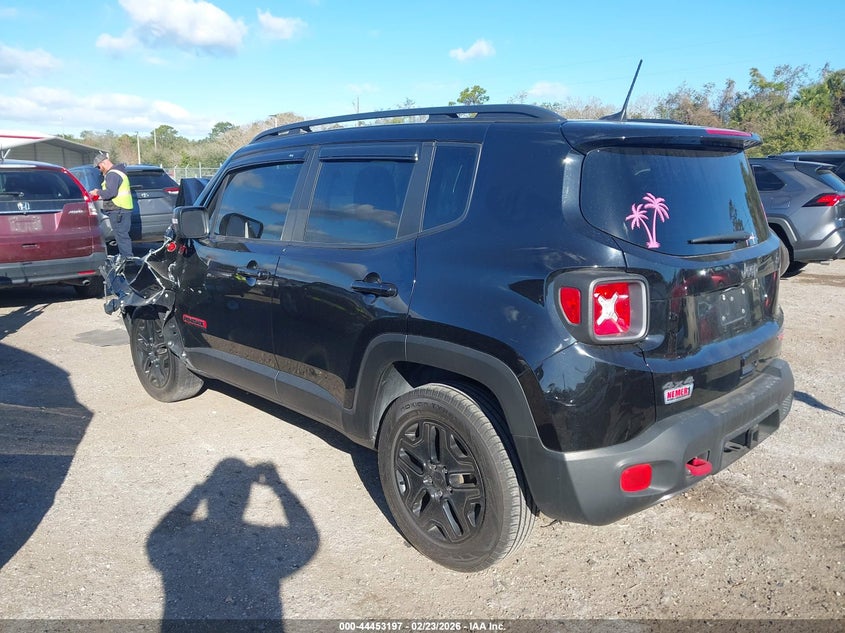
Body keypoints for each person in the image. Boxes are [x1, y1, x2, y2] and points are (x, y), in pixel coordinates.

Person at [90, 151, 134, 261]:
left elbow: (111, 193)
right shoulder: (119, 172)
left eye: (99, 167)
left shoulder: (112, 174)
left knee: (121, 237)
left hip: (118, 209)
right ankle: (127, 258)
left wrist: (97, 192)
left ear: (103, 163)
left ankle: (128, 260)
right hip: (122, 208)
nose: (99, 170)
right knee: (122, 236)